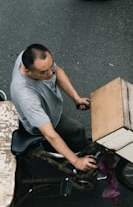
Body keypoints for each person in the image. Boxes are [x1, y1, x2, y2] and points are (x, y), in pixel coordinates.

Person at [9, 43, 96, 171]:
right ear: (27, 71)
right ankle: (78, 154)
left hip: (49, 110)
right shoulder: (26, 95)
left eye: (51, 66)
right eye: (43, 72)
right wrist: (77, 161)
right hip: (43, 121)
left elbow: (58, 71)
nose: (50, 73)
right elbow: (49, 134)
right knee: (76, 130)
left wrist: (76, 98)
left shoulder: (31, 59)